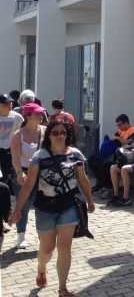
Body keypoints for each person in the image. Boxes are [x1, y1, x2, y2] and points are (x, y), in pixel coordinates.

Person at [10, 119, 95, 297]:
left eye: (63, 132)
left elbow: (83, 179)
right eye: (55, 132)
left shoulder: (76, 155)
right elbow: (28, 185)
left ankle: (62, 288)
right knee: (47, 250)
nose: (59, 135)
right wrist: (17, 209)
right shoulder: (40, 156)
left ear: (68, 135)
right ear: (48, 135)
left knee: (65, 247)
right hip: (45, 208)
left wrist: (90, 200)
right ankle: (41, 268)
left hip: (68, 205)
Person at [10, 102, 46, 249]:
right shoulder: (18, 135)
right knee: (23, 206)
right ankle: (21, 236)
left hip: (42, 174)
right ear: (28, 116)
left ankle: (42, 235)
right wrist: (19, 173)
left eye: (41, 113)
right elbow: (15, 157)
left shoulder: (45, 131)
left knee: (42, 206)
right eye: (37, 113)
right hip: (24, 173)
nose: (41, 115)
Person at [89, 114, 134, 193]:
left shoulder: (133, 131)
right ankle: (101, 183)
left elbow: (128, 144)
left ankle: (109, 187)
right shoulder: (120, 131)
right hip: (113, 154)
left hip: (123, 157)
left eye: (120, 125)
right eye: (117, 125)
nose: (118, 127)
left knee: (105, 165)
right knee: (92, 159)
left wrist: (117, 138)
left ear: (126, 123)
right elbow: (112, 138)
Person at [0, 94, 24, 188]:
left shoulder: (17, 117)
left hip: (9, 151)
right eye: (6, 103)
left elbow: (22, 133)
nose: (10, 104)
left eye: (10, 102)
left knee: (6, 176)